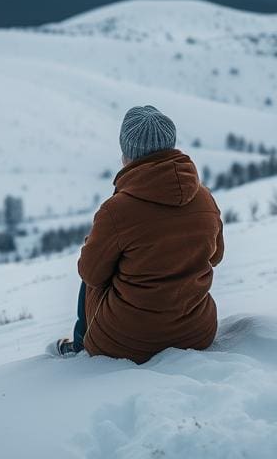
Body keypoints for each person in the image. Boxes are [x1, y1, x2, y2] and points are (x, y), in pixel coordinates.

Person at [47, 105, 224, 363]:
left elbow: (90, 273)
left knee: (93, 270)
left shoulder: (116, 210)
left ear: (128, 154)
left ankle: (79, 345)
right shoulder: (205, 198)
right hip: (197, 333)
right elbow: (215, 256)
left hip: (126, 342)